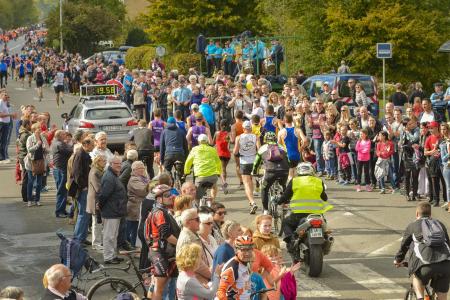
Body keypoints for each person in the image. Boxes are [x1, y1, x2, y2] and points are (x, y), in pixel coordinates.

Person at [277, 162, 333, 261]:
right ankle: (326, 239)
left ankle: (291, 241)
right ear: (312, 170)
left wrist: (279, 201)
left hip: (298, 215)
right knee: (325, 229)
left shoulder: (294, 181)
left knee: (286, 223)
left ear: (298, 171)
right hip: (316, 215)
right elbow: (324, 198)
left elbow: (285, 196)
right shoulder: (318, 181)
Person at [394, 202, 450, 300]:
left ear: (417, 214)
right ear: (430, 214)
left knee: (417, 279)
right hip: (446, 264)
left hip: (425, 265)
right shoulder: (439, 224)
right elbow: (448, 244)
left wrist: (398, 259)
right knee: (442, 295)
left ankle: (420, 297)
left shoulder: (413, 225)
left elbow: (404, 246)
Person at [147, 184, 180, 300]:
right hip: (159, 253)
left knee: (172, 285)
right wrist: (182, 244)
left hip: (168, 253)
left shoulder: (163, 210)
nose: (170, 197)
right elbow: (166, 235)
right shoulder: (159, 213)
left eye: (170, 194)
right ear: (158, 198)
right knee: (159, 289)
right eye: (166, 195)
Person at [216, 235, 268, 300]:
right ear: (236, 250)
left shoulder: (246, 263)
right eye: (243, 250)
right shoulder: (232, 268)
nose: (247, 253)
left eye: (249, 250)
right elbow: (221, 292)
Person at [98, 156, 127, 264]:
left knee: (113, 235)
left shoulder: (113, 175)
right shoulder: (109, 177)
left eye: (120, 163)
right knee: (109, 235)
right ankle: (108, 257)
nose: (119, 165)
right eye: (116, 163)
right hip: (111, 211)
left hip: (115, 210)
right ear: (110, 164)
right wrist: (100, 207)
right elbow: (104, 195)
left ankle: (113, 255)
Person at [252, 131, 289, 214]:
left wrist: (254, 172)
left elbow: (256, 163)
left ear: (265, 139)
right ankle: (285, 204)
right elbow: (288, 160)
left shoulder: (262, 148)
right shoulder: (282, 147)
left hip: (270, 172)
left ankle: (265, 210)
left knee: (264, 188)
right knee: (283, 185)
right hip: (284, 171)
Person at [184, 133, 221, 201]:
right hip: (212, 176)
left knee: (196, 196)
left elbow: (188, 162)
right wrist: (218, 172)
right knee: (214, 186)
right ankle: (212, 200)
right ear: (207, 141)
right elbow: (218, 162)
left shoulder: (195, 149)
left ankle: (198, 207)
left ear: (198, 141)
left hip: (200, 177)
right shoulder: (212, 149)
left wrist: (186, 171)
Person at [234, 120, 259, 214]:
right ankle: (251, 201)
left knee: (246, 183)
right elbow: (259, 149)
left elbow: (235, 152)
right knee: (251, 181)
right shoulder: (255, 137)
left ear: (243, 129)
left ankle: (252, 202)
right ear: (251, 128)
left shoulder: (239, 137)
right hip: (254, 161)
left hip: (244, 161)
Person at [51, 130, 73, 217]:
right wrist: (73, 145)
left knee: (64, 191)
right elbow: (69, 150)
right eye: (64, 134)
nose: (65, 135)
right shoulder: (59, 144)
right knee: (61, 191)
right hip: (61, 169)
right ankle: (59, 211)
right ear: (59, 135)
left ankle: (62, 210)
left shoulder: (59, 142)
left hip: (61, 169)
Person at [86, 154, 106, 251]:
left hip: (97, 200)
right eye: (103, 161)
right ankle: (96, 243)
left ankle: (99, 242)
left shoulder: (99, 171)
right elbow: (98, 188)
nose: (105, 162)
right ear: (98, 161)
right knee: (96, 223)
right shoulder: (94, 172)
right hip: (95, 200)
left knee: (99, 222)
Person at [214, 119, 231, 194]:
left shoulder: (217, 133)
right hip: (227, 154)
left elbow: (212, 142)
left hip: (219, 153)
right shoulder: (228, 134)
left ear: (220, 125)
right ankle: (224, 183)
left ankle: (224, 183)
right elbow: (229, 144)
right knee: (223, 169)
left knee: (222, 169)